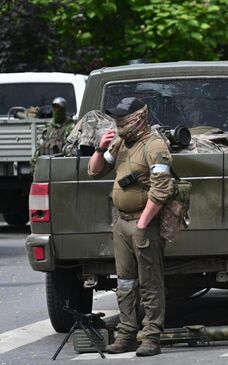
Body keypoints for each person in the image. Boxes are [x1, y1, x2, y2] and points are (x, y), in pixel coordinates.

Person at [87, 97, 173, 356]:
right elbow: (94, 171)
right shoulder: (120, 142)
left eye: (124, 117)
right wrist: (100, 149)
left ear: (138, 117)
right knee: (124, 282)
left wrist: (143, 225)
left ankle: (151, 337)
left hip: (142, 223)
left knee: (150, 282)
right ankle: (126, 334)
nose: (119, 122)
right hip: (121, 223)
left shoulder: (154, 145)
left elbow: (161, 190)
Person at [31, 97, 74, 165]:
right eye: (54, 108)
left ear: (63, 110)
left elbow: (71, 152)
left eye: (59, 108)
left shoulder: (70, 128)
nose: (56, 110)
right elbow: (39, 148)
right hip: (47, 167)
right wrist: (34, 165)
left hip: (62, 166)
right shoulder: (48, 128)